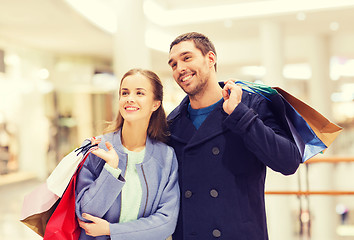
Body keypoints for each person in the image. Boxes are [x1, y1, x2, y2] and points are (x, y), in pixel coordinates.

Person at [167, 32, 301, 239]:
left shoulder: (251, 105)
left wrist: (240, 115)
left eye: (186, 58)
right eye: (173, 64)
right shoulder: (171, 124)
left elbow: (288, 162)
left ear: (210, 59)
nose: (180, 68)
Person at [75, 68, 180, 240]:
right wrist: (111, 170)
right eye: (125, 93)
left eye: (139, 93)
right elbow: (85, 213)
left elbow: (166, 222)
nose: (130, 98)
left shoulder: (166, 157)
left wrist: (111, 230)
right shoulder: (96, 148)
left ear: (156, 103)